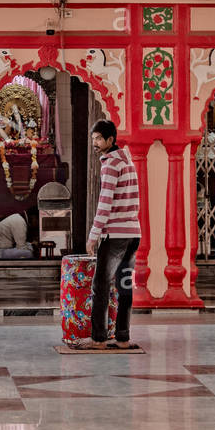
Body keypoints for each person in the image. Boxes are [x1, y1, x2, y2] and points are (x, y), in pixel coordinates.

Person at [82, 119, 141, 349]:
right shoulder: (128, 162)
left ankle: (98, 339)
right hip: (133, 234)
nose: (95, 143)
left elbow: (104, 204)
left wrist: (93, 235)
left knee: (101, 286)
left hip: (115, 235)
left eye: (99, 139)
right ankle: (123, 338)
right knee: (125, 286)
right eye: (93, 138)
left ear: (110, 140)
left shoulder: (110, 164)